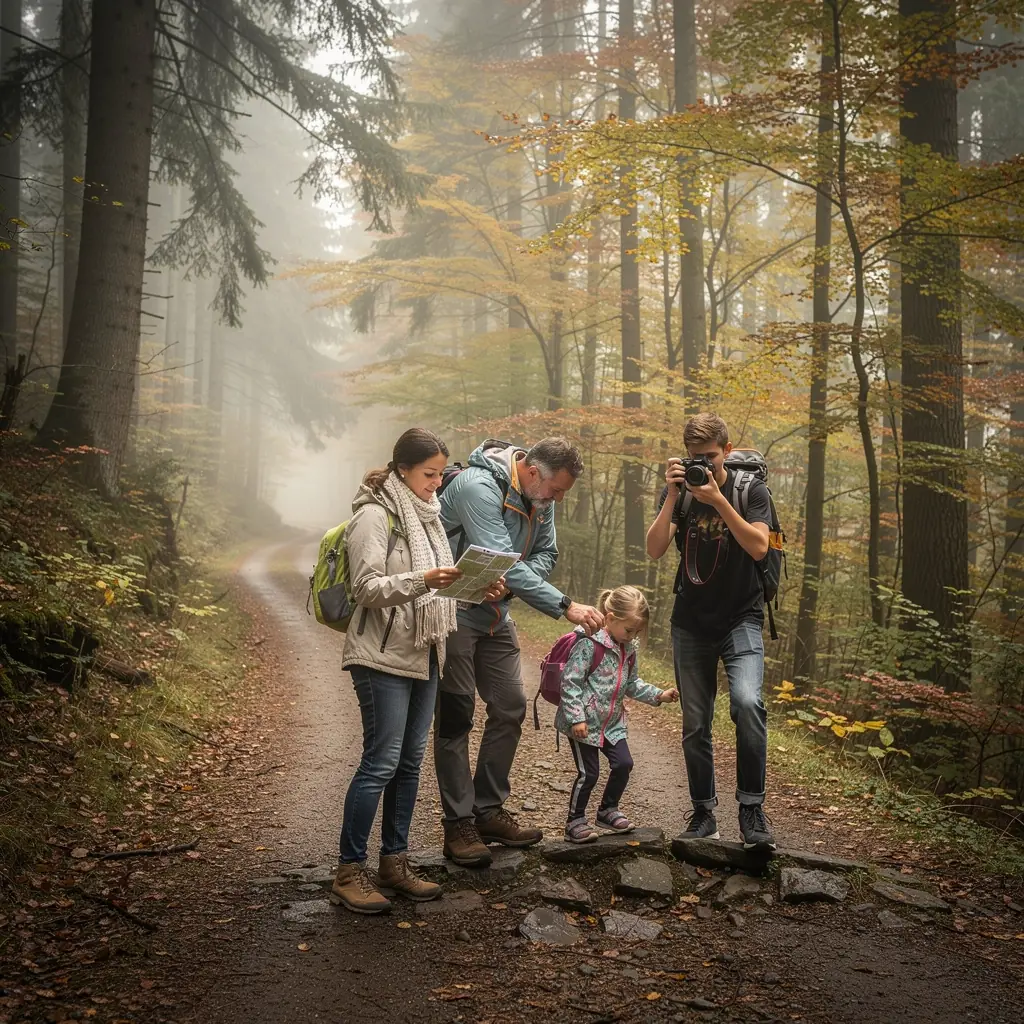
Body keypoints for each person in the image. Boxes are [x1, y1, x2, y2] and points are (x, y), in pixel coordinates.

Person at [331, 428, 506, 914]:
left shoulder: (428, 519)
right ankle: (349, 870)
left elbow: (438, 595)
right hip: (381, 655)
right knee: (381, 763)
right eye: (429, 474)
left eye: (440, 474)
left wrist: (476, 588)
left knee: (409, 765)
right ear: (402, 469)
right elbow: (366, 588)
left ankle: (394, 862)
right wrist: (422, 579)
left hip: (428, 652)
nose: (437, 483)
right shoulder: (373, 515)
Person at [434, 437, 605, 867]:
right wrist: (565, 606)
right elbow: (504, 558)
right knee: (456, 717)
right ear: (531, 472)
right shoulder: (477, 487)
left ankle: (488, 810)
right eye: (556, 489)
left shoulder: (540, 500)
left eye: (563, 491)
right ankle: (458, 825)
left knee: (510, 706)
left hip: (495, 614)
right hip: (452, 612)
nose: (558, 499)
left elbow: (545, 553)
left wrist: (509, 584)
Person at [646, 412, 776, 850]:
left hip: (741, 617)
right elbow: (654, 549)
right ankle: (703, 814)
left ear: (727, 449)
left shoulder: (749, 490)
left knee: (747, 702)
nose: (703, 464)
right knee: (695, 722)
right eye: (694, 457)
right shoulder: (680, 493)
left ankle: (752, 810)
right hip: (690, 622)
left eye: (711, 457)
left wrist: (719, 500)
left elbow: (760, 547)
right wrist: (670, 495)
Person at [555, 586, 679, 843]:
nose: (632, 636)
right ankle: (575, 821)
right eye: (629, 629)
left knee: (624, 764)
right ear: (610, 617)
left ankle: (607, 810)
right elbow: (570, 682)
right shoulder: (589, 643)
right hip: (584, 724)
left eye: (637, 631)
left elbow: (632, 684)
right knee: (589, 773)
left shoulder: (628, 649)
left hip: (611, 723)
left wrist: (658, 695)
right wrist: (576, 717)